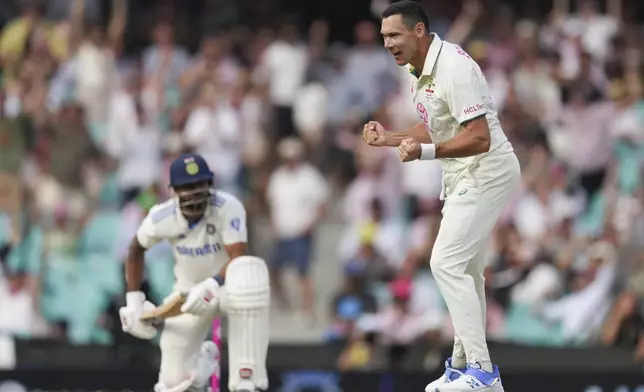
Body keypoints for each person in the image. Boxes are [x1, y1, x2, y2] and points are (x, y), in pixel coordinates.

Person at [363, 1, 520, 391]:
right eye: (383, 37)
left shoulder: (454, 67)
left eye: (394, 35)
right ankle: (465, 366)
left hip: (487, 170)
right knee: (466, 271)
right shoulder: (418, 70)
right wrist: (390, 139)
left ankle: (482, 373)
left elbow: (479, 138)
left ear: (418, 31)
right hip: (464, 175)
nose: (387, 43)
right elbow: (437, 125)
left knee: (445, 263)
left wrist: (424, 153)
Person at [119, 153, 270, 392]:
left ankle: (247, 378)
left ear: (210, 184)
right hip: (187, 296)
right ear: (173, 190)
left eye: (200, 184)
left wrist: (213, 283)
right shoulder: (162, 216)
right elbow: (136, 249)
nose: (194, 192)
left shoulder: (228, 207)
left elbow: (238, 257)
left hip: (228, 287)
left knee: (249, 275)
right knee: (173, 384)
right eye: (187, 186)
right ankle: (199, 371)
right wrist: (134, 302)